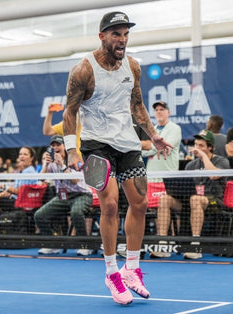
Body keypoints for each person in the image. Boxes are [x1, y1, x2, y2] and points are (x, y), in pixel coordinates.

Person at [62, 11, 173, 305]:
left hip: (127, 145)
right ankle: (111, 272)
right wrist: (71, 148)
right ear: (102, 36)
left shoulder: (132, 67)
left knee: (140, 203)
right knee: (109, 203)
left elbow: (137, 106)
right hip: (95, 145)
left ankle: (131, 269)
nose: (122, 40)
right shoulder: (83, 70)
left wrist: (153, 135)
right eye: (116, 34)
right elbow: (69, 112)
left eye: (125, 34)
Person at [152, 130, 229, 259]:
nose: (197, 148)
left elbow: (213, 175)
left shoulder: (222, 161)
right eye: (196, 145)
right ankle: (163, 243)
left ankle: (195, 246)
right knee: (165, 199)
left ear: (210, 147)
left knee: (195, 199)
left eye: (201, 146)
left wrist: (203, 156)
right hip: (190, 201)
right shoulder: (190, 165)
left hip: (213, 201)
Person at [34, 135, 93, 256]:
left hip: (82, 195)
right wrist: (45, 164)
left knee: (76, 213)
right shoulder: (51, 161)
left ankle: (84, 245)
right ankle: (52, 244)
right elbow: (41, 178)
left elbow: (75, 181)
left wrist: (62, 165)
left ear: (65, 146)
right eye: (53, 145)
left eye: (58, 145)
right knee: (39, 215)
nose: (55, 147)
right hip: (62, 197)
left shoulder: (75, 159)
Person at [143, 101, 182, 174]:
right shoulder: (151, 130)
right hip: (151, 175)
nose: (158, 112)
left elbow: (165, 148)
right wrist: (147, 148)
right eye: (156, 110)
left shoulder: (175, 128)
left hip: (168, 176)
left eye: (162, 109)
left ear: (168, 113)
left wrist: (146, 146)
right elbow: (142, 152)